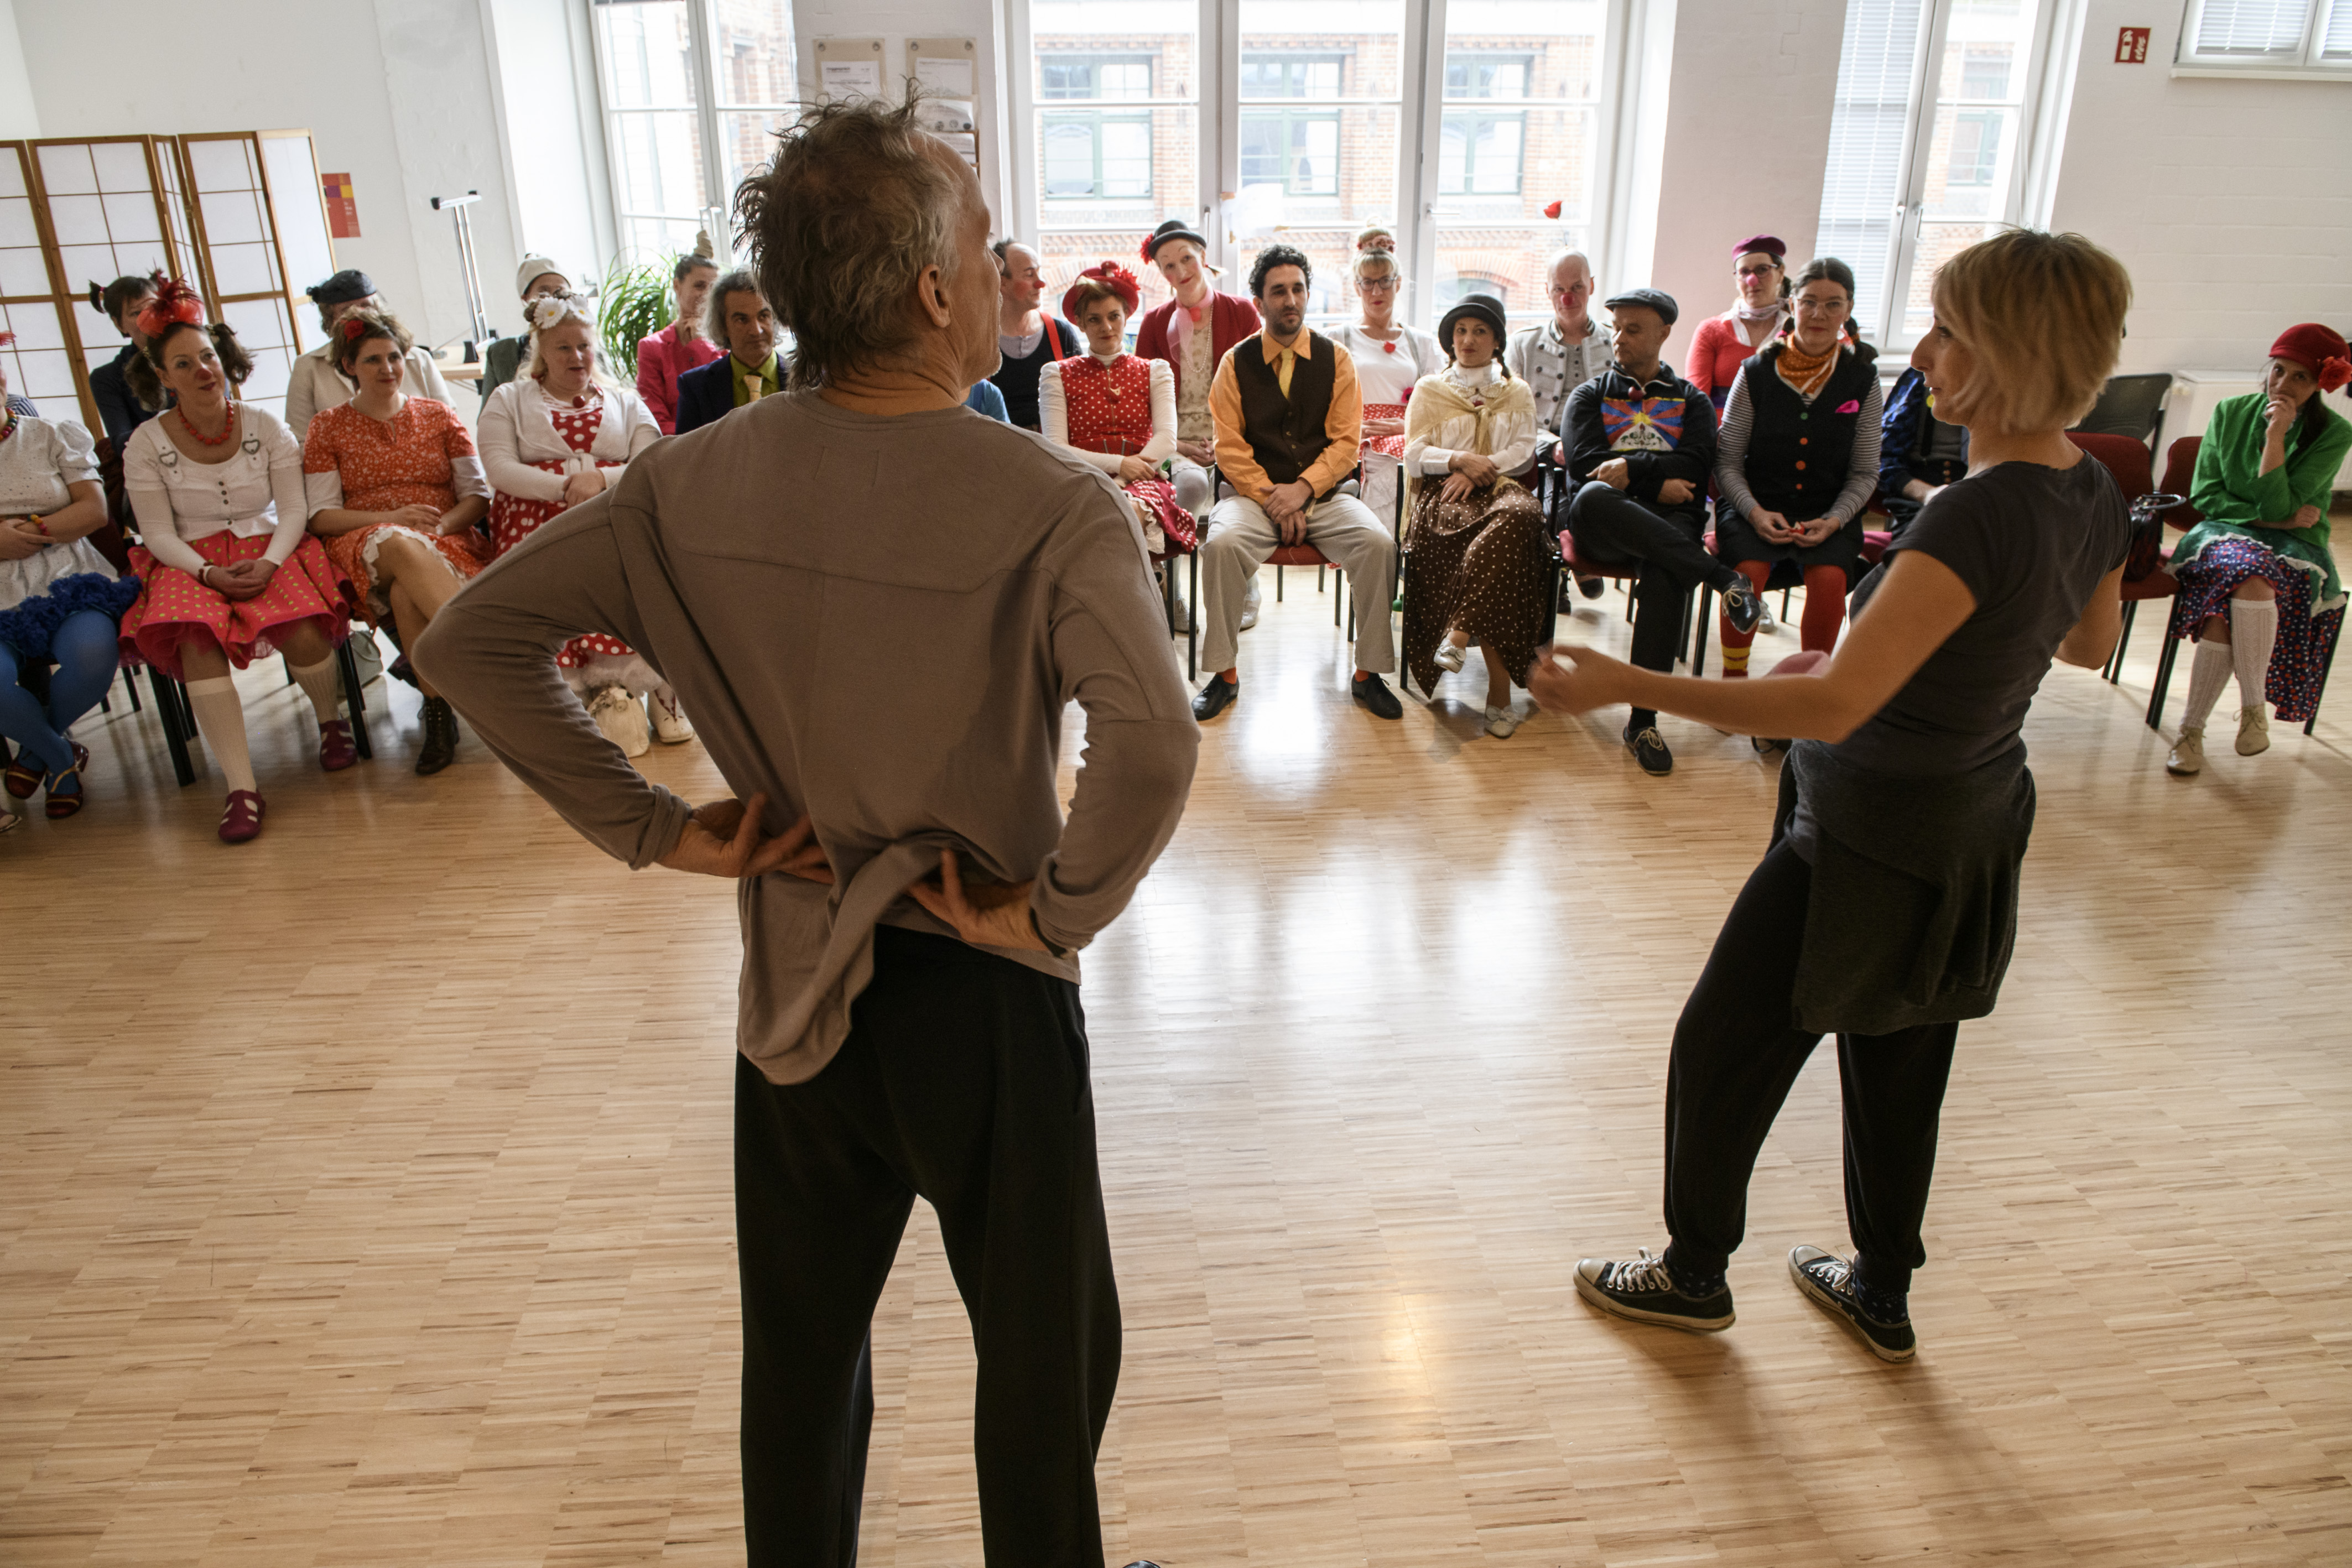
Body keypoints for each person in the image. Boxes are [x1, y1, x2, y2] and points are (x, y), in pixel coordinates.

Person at [414, 94, 1191, 1568]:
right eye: (984, 238)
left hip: (795, 984)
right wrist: (1051, 912)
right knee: (1044, 1362)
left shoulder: (681, 486)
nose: (1008, 265)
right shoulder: (1049, 498)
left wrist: (657, 830)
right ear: (931, 290)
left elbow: (468, 644)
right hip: (986, 994)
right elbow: (1150, 745)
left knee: (802, 1368)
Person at [1537, 228, 2134, 1366]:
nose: (1925, 348)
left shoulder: (1971, 512)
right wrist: (1890, 663)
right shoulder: (2089, 486)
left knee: (1721, 1045)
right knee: (1900, 1058)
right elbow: (2087, 643)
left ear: (1997, 353)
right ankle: (1881, 1288)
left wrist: (1623, 680)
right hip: (1973, 821)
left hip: (1864, 833)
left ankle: (1691, 1270)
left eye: (1949, 328)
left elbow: (1830, 710)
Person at [115, 281, 358, 844]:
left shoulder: (264, 425)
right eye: (184, 363)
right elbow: (154, 531)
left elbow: (294, 507)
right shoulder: (145, 443)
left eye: (207, 356)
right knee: (197, 640)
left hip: (269, 546)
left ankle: (330, 722)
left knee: (299, 630)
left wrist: (272, 563)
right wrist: (206, 573)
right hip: (186, 559)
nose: (203, 370)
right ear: (162, 377)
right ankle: (241, 788)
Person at [1193, 243, 1402, 722]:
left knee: (1377, 544)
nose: (1291, 300)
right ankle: (1224, 675)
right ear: (1258, 302)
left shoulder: (1338, 360)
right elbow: (1230, 448)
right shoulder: (1234, 363)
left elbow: (1346, 444)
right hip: (1252, 497)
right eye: (1278, 292)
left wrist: (1303, 491)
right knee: (1221, 545)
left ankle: (1369, 675)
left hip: (1325, 496)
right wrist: (1275, 499)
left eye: (1298, 289)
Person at [1562, 287, 1762, 774]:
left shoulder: (1691, 400)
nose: (1619, 339)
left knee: (1667, 567)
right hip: (1605, 521)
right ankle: (1722, 580)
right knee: (1592, 497)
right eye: (1615, 328)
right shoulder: (1589, 396)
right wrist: (1655, 478)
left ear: (1663, 333)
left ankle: (1643, 721)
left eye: (1633, 329)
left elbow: (1697, 464)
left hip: (1670, 528)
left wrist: (1632, 472)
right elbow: (1587, 464)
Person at [477, 290, 675, 754]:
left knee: (634, 565)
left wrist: (601, 479)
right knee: (553, 588)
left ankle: (644, 689)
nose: (577, 356)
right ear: (540, 349)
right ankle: (580, 703)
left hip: (610, 509)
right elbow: (499, 467)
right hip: (534, 518)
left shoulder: (625, 402)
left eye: (584, 345)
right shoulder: (509, 399)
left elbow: (651, 459)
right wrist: (569, 487)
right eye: (563, 347)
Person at [301, 310, 495, 775]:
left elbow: (478, 495)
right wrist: (391, 518)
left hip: (444, 537)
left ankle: (437, 712)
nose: (387, 368)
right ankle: (491, 656)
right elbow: (321, 516)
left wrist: (443, 527)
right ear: (348, 366)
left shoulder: (439, 415)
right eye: (372, 360)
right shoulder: (326, 427)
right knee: (399, 544)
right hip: (367, 540)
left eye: (394, 357)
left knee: (409, 594)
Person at [2162, 322, 2352, 775]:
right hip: (2221, 534)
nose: (2282, 384)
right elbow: (2207, 496)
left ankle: (2191, 732)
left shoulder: (2335, 433)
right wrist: (2272, 520)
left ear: (2319, 386)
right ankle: (2252, 713)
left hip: (2295, 545)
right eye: (2278, 371)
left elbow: (2281, 501)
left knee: (2230, 603)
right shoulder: (2229, 412)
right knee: (2246, 571)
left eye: (2300, 377)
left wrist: (2276, 439)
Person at [1712, 257, 1883, 686]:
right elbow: (1728, 460)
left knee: (1829, 580)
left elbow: (1865, 472)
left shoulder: (1863, 379)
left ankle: (1808, 687)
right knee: (1746, 575)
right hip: (1756, 506)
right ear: (1791, 304)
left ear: (1848, 308)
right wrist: (1754, 513)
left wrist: (1836, 519)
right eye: (1810, 302)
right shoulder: (1754, 372)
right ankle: (1735, 682)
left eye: (1833, 304)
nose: (1820, 314)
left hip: (1829, 512)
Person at [1399, 294, 1548, 737]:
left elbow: (1524, 449)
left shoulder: (1516, 391)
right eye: (1461, 331)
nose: (1468, 339)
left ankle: (1459, 635)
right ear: (1450, 340)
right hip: (1446, 492)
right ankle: (1500, 698)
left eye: (1480, 331)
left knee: (1521, 517)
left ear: (1498, 340)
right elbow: (1413, 456)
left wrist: (1485, 469)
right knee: (1506, 556)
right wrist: (1459, 459)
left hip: (1500, 489)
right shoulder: (1430, 389)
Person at [0, 343, 138, 820]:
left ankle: (36, 754)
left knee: (93, 658)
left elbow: (93, 509)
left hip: (66, 573)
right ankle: (59, 758)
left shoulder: (52, 434)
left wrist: (34, 532)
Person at [1039, 260, 1193, 558]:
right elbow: (1056, 446)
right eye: (1095, 320)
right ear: (1080, 324)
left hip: (1142, 480)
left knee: (1126, 511)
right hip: (1080, 477)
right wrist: (1119, 465)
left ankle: (1134, 594)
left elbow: (1166, 438)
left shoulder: (1155, 371)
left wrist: (1130, 475)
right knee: (1100, 513)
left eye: (1114, 316)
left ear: (1126, 317)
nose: (1107, 327)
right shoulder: (1056, 374)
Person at [1132, 220, 1261, 520]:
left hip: (1235, 436)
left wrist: (1227, 441)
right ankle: (1172, 558)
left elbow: (1259, 389)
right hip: (1174, 441)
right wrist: (1179, 446)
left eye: (1186, 258)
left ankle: (1238, 562)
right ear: (1162, 274)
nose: (1180, 272)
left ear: (1203, 257)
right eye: (1169, 266)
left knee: (1244, 499)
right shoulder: (1153, 323)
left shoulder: (1242, 313)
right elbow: (1143, 402)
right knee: (1192, 483)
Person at [1505, 249, 1612, 600]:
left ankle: (1559, 573)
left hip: (1600, 445)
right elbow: (1512, 411)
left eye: (1577, 287)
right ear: (1548, 292)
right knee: (1554, 477)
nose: (1568, 297)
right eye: (1559, 288)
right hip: (1540, 439)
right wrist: (1550, 443)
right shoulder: (1523, 343)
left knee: (1576, 478)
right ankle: (1575, 563)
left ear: (1592, 286)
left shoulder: (1615, 340)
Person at [1331, 247, 1442, 527]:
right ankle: (1373, 547)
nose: (1376, 291)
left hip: (1407, 432)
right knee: (1378, 462)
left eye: (1385, 281)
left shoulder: (1421, 342)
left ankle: (1404, 547)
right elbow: (1319, 400)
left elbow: (1440, 401)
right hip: (1357, 433)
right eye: (1367, 283)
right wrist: (1348, 429)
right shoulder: (1338, 338)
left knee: (1416, 456)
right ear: (1357, 288)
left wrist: (1408, 426)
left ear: (1398, 283)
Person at [285, 269, 455, 436]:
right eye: (347, 310)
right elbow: (301, 438)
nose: (359, 315)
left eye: (366, 306)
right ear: (330, 320)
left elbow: (450, 422)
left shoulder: (418, 359)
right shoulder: (308, 367)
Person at [1685, 235, 1791, 413]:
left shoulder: (1796, 331)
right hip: (1718, 433)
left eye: (1762, 270)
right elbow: (1696, 400)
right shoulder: (1710, 330)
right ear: (1736, 278)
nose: (1752, 280)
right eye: (1744, 272)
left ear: (1780, 273)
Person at [985, 239, 1081, 430]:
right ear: (1003, 283)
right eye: (1030, 274)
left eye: (1039, 272)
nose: (1041, 283)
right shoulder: (980, 339)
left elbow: (1081, 399)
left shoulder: (1061, 333)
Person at [674, 269, 780, 436]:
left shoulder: (809, 380)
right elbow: (688, 458)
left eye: (763, 316)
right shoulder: (695, 387)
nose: (756, 330)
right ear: (722, 326)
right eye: (742, 320)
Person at [636, 248, 725, 434]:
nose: (707, 295)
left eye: (713, 288)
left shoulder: (725, 344)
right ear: (677, 286)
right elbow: (655, 419)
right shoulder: (651, 347)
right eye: (700, 286)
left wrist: (701, 343)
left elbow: (724, 400)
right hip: (676, 448)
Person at [1878, 361, 1969, 533]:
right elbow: (1884, 460)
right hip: (1920, 488)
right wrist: (1926, 494)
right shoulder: (1918, 378)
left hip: (1974, 488)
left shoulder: (2003, 385)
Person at [478, 256, 572, 404]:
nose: (553, 299)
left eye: (560, 292)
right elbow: (488, 414)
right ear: (525, 299)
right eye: (543, 293)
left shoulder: (587, 347)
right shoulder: (501, 353)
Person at [85, 273, 162, 449]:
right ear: (119, 324)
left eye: (154, 308)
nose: (147, 318)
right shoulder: (106, 377)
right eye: (136, 313)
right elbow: (122, 443)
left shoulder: (199, 354)